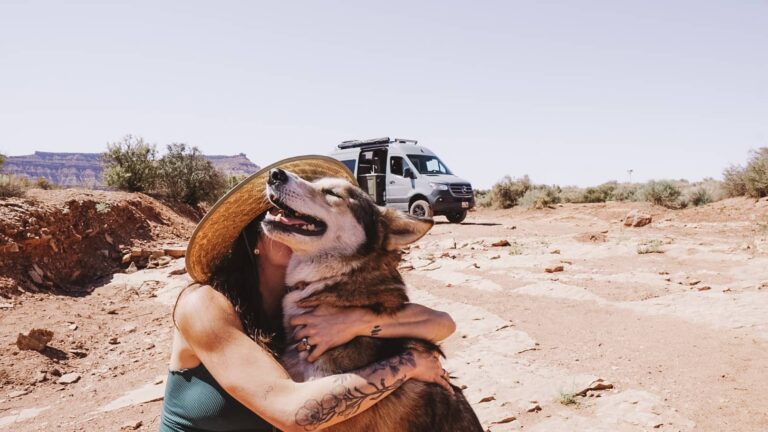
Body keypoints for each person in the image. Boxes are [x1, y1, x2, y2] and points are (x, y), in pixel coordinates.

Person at [160, 156, 457, 432]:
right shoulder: (204, 304)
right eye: (282, 212)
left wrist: (357, 322)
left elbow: (441, 324)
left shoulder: (305, 305)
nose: (292, 216)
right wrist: (408, 365)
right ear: (255, 238)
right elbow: (294, 414)